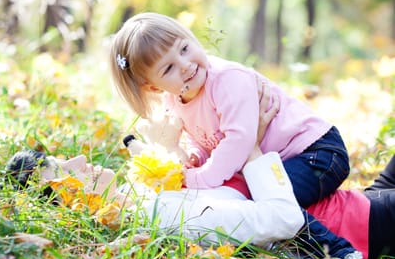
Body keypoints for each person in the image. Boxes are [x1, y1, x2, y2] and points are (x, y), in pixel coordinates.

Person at [5, 91, 365, 259]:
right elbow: (282, 219)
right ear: (67, 202)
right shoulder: (164, 217)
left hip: (355, 200)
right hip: (360, 226)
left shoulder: (145, 197)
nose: (79, 160)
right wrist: (251, 148)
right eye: (62, 169)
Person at [109, 12, 349, 208]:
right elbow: (204, 140)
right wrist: (197, 158)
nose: (185, 65)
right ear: (154, 87)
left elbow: (238, 140)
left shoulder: (226, 80)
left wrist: (199, 178)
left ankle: (339, 254)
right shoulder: (174, 101)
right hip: (273, 160)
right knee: (243, 198)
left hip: (316, 152)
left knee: (271, 202)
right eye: (168, 68)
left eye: (184, 49)